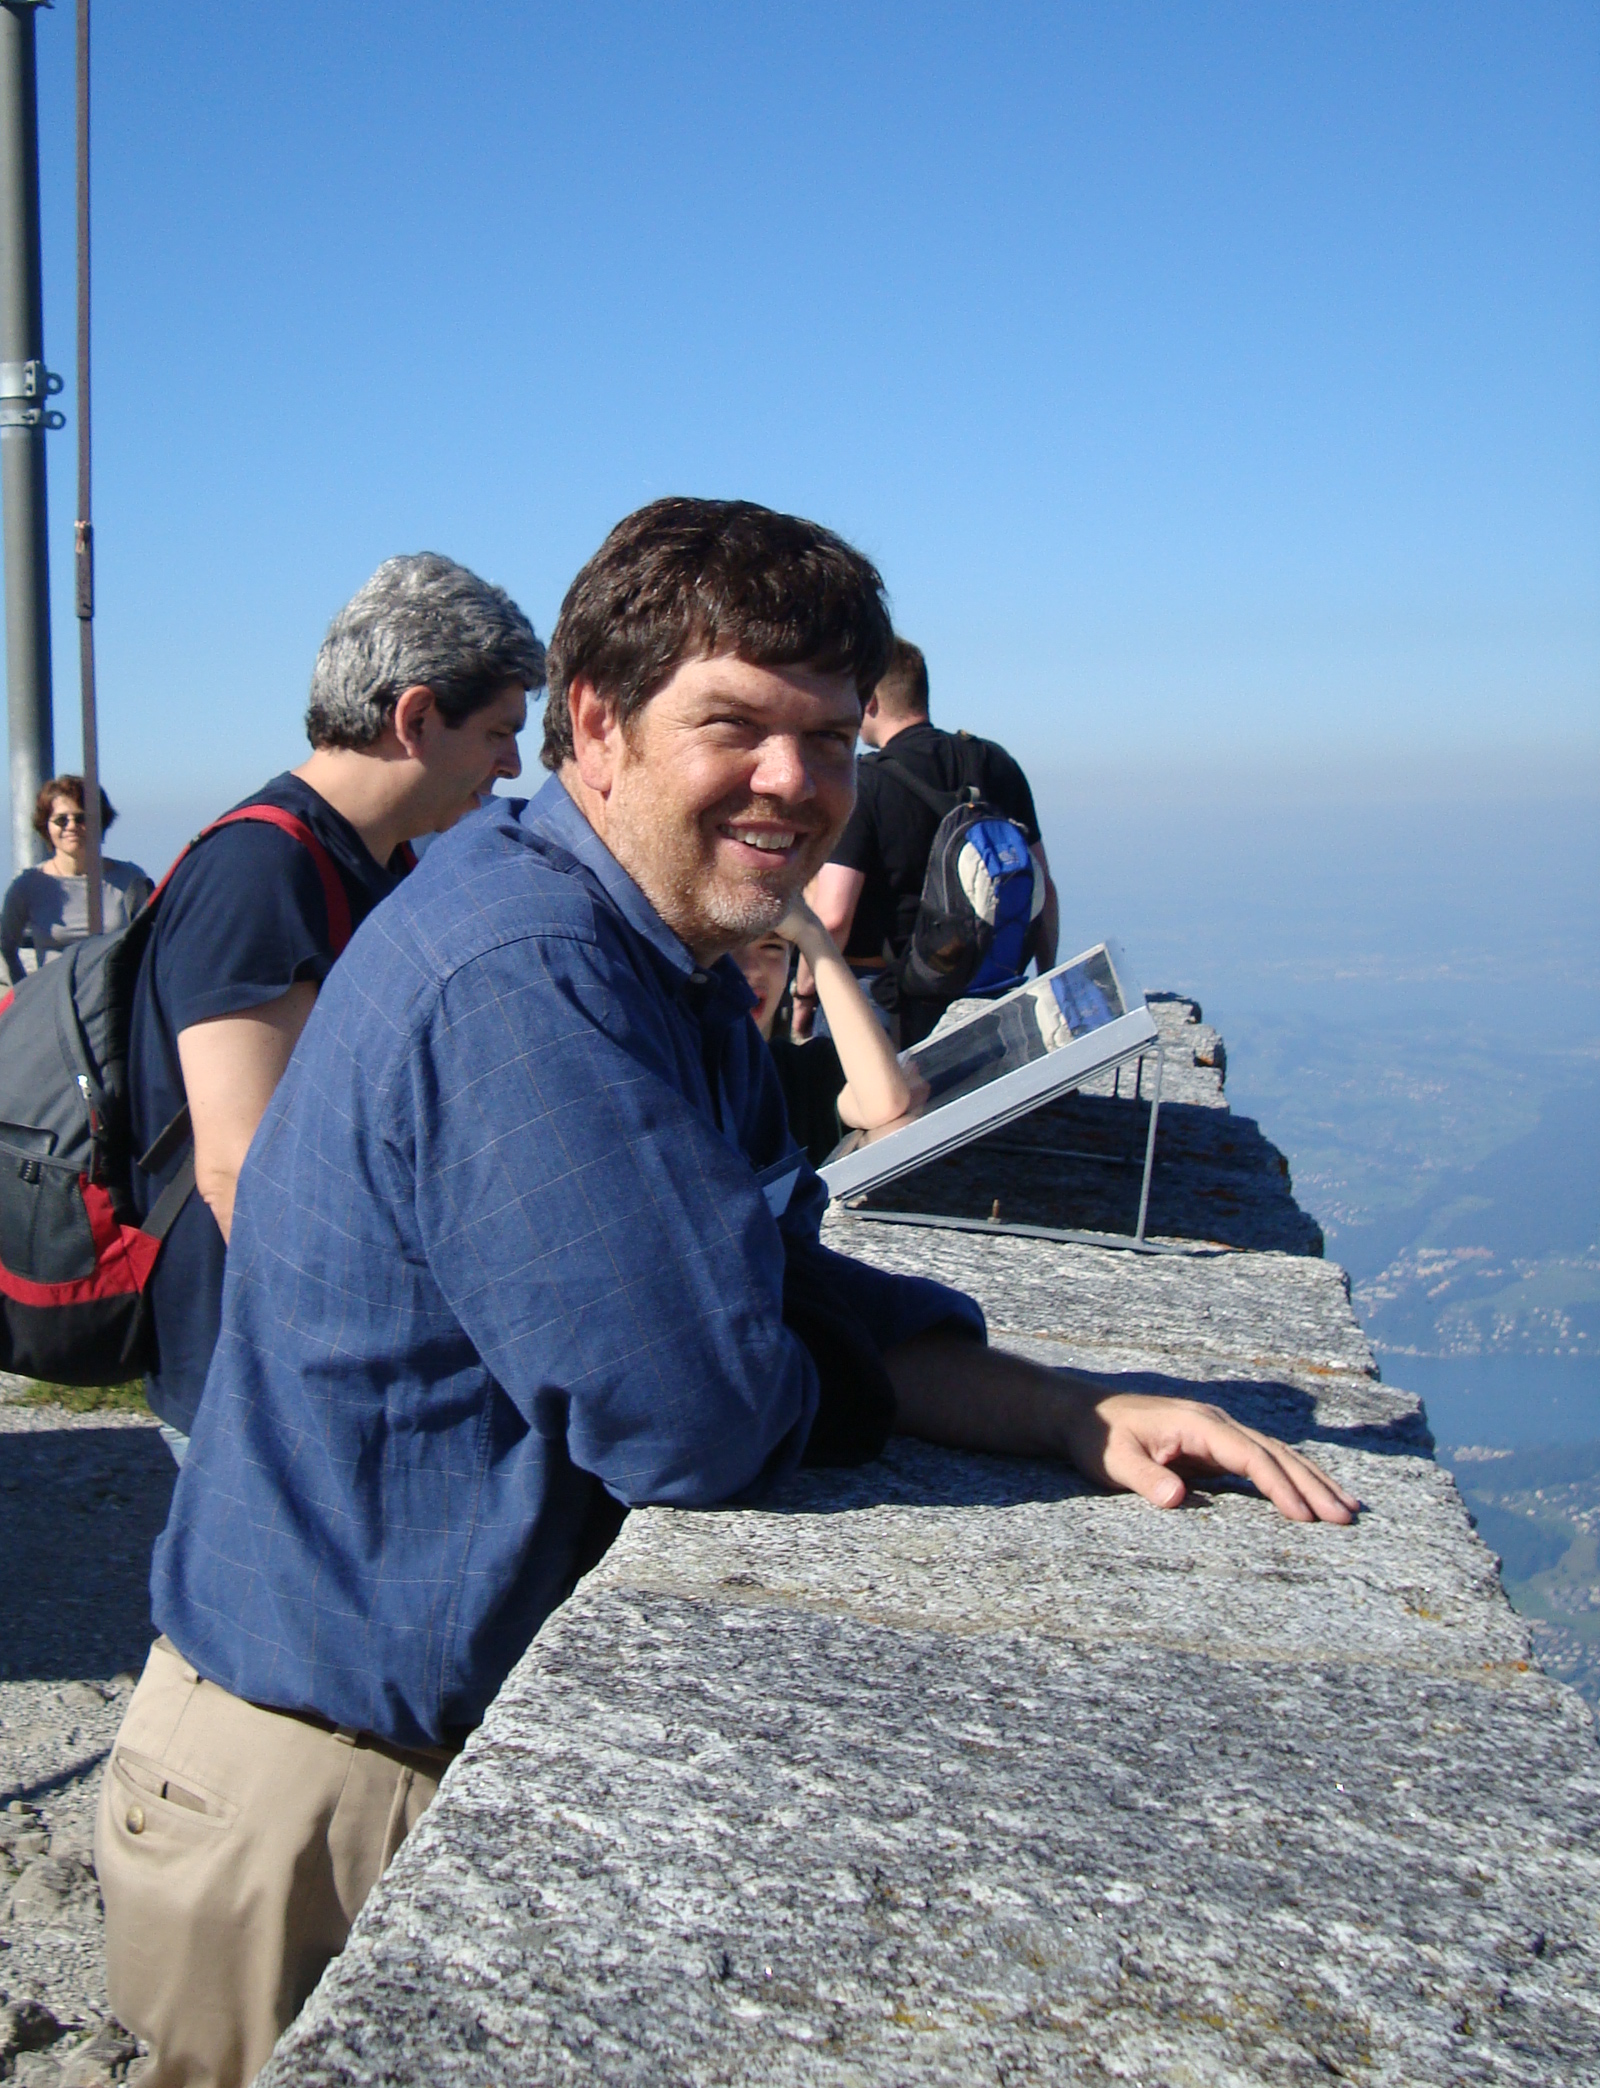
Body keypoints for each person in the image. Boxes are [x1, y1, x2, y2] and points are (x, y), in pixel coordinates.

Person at [96, 498, 1355, 2088]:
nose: (796, 779)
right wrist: (795, 1354)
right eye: (736, 726)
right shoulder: (524, 974)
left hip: (387, 1747)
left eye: (826, 736)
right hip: (316, 1799)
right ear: (596, 726)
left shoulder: (663, 959)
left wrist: (1065, 1411)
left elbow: (779, 1283)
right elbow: (693, 1414)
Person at [130, 552, 547, 1462]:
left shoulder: (377, 860)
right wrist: (348, 1371)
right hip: (266, 1373)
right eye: (498, 731)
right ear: (416, 717)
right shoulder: (261, 872)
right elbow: (239, 1169)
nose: (512, 764)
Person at [806, 637, 1061, 1047]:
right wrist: (1046, 978)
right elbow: (1042, 886)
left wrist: (805, 993)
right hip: (986, 989)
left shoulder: (866, 782)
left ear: (871, 701)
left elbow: (833, 917)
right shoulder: (994, 762)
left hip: (886, 998)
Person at [730, 892, 927, 1167]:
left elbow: (883, 1103)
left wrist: (812, 934)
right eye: (727, 949)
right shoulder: (675, 1074)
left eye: (772, 947)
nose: (751, 970)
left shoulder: (801, 1073)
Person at [0, 777, 153, 982]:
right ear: (46, 826)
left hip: (114, 994)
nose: (71, 826)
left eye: (81, 819)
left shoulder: (130, 879)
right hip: (53, 996)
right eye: (61, 820)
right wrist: (23, 992)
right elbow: (5, 947)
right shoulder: (27, 886)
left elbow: (152, 940)